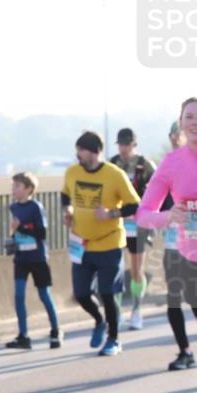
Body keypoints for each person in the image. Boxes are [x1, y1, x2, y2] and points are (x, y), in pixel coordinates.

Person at [136, 97, 197, 393]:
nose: (196, 122)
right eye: (190, 117)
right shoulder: (172, 163)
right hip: (193, 261)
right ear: (181, 123)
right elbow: (143, 213)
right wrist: (169, 217)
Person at [61, 130, 140, 357]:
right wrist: (67, 210)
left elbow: (135, 205)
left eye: (81, 151)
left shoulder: (114, 174)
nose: (78, 155)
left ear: (94, 152)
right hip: (81, 244)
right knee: (81, 293)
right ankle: (99, 320)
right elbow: (65, 195)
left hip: (109, 243)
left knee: (107, 293)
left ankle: (114, 340)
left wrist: (112, 213)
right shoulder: (72, 172)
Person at [5, 172, 61, 349]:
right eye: (13, 186)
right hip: (21, 258)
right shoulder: (13, 208)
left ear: (29, 189)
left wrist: (20, 227)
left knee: (44, 295)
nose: (13, 189)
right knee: (19, 296)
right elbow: (15, 231)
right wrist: (11, 237)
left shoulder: (36, 207)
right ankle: (23, 336)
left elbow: (41, 233)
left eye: (17, 186)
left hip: (37, 258)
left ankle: (55, 331)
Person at [109, 128, 157, 329]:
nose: (123, 148)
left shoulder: (145, 165)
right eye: (120, 144)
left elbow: (157, 191)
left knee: (137, 269)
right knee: (115, 269)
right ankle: (117, 310)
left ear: (134, 145)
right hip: (117, 222)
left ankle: (137, 310)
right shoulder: (112, 164)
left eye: (127, 144)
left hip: (138, 222)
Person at [161, 121, 196, 371]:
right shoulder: (167, 167)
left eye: (179, 134)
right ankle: (185, 351)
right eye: (172, 134)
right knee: (173, 302)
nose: (175, 138)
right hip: (173, 247)